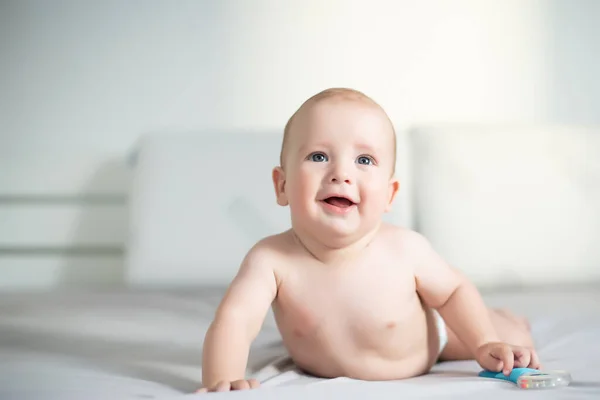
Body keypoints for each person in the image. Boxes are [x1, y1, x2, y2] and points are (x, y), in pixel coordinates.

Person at [198, 88, 538, 393]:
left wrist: (483, 341)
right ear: (282, 185)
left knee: (512, 343)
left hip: (432, 344)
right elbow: (235, 321)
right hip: (337, 358)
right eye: (318, 156)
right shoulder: (271, 259)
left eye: (364, 160)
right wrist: (221, 378)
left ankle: (501, 319)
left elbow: (452, 291)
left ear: (389, 195)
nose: (341, 173)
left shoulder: (405, 249)